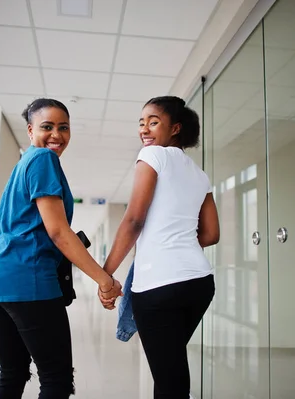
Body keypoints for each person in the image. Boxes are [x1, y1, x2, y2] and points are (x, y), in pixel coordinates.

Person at [0, 98, 122, 399]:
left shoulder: (24, 164)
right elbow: (58, 232)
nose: (56, 134)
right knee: (56, 379)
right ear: (30, 130)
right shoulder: (43, 160)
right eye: (47, 127)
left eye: (63, 127)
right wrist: (105, 280)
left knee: (12, 372)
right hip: (25, 278)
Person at [99, 96, 219, 398]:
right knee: (171, 368)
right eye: (142, 123)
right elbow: (212, 234)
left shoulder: (153, 156)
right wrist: (178, 241)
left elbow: (134, 220)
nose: (145, 129)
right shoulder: (199, 174)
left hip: (159, 286)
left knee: (169, 379)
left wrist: (105, 274)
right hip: (199, 283)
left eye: (153, 122)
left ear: (175, 128)